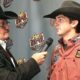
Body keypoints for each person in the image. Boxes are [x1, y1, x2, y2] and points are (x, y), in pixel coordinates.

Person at [0, 6, 47, 80]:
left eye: (7, 23)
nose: (7, 27)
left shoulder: (3, 47)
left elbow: (14, 73)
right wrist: (33, 62)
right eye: (2, 24)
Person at [44, 0, 80, 80]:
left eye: (60, 19)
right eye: (55, 20)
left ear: (73, 23)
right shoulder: (56, 50)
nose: (56, 23)